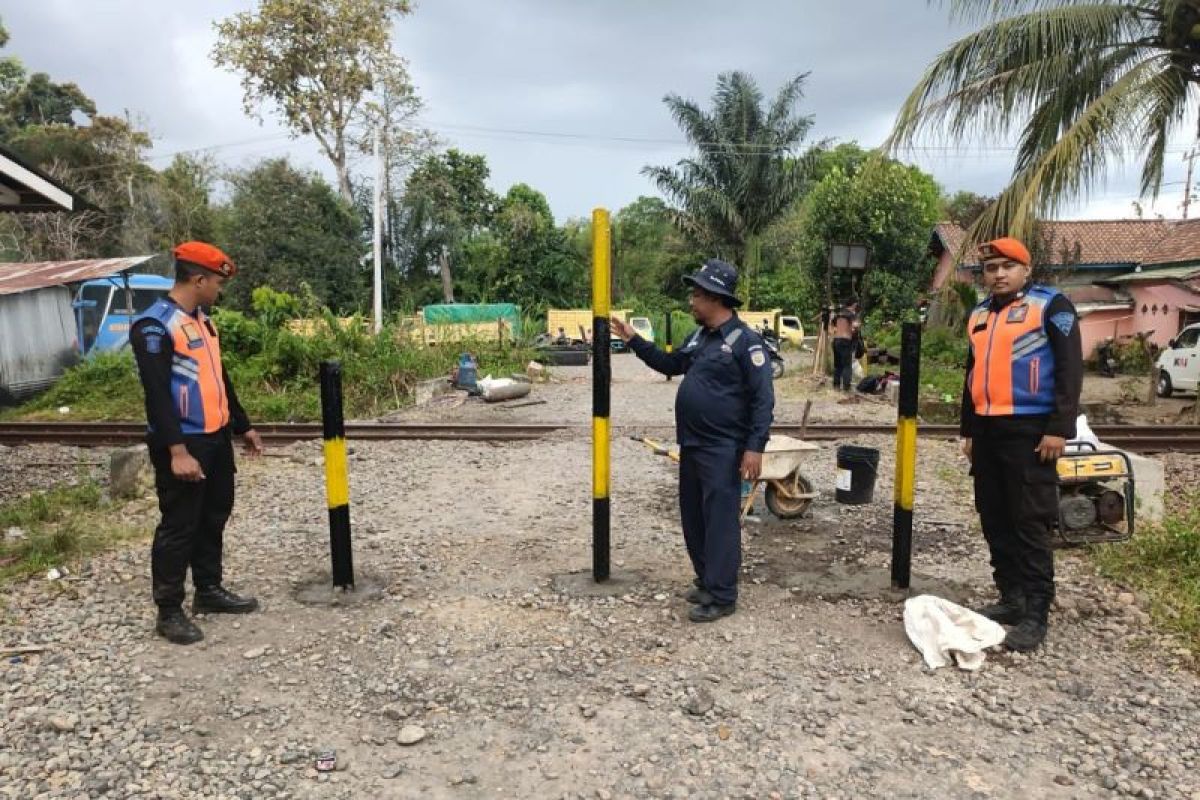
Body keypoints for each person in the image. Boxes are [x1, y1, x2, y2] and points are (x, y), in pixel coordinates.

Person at [610, 259, 774, 623]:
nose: (691, 301)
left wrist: (754, 447)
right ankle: (706, 579)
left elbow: (763, 399)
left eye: (697, 295)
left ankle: (722, 595)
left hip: (724, 448)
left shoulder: (745, 343)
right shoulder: (699, 336)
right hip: (693, 445)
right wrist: (634, 340)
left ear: (717, 298)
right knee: (694, 517)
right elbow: (671, 365)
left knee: (719, 521)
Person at [130, 241, 263, 645]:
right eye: (217, 283)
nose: (219, 290)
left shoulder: (203, 320)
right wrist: (176, 451)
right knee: (179, 525)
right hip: (185, 442)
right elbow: (157, 395)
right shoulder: (155, 325)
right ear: (198, 279)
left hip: (215, 438)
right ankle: (169, 611)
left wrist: (243, 426)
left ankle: (209, 590)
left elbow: (219, 378)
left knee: (213, 516)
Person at [961, 237, 1083, 652]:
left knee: (1030, 521)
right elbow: (971, 376)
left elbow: (1069, 369)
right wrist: (968, 431)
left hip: (1031, 430)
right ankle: (1010, 597)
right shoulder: (978, 314)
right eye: (991, 268)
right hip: (988, 431)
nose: (997, 274)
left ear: (1025, 270)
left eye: (1006, 267)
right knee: (994, 516)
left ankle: (1036, 611)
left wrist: (1059, 428)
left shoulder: (1051, 306)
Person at [829, 298, 860, 391]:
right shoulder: (851, 314)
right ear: (853, 305)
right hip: (845, 341)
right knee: (847, 365)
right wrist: (855, 329)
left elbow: (832, 325)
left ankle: (836, 385)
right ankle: (846, 387)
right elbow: (855, 326)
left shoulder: (838, 314)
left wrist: (834, 331)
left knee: (837, 365)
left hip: (836, 340)